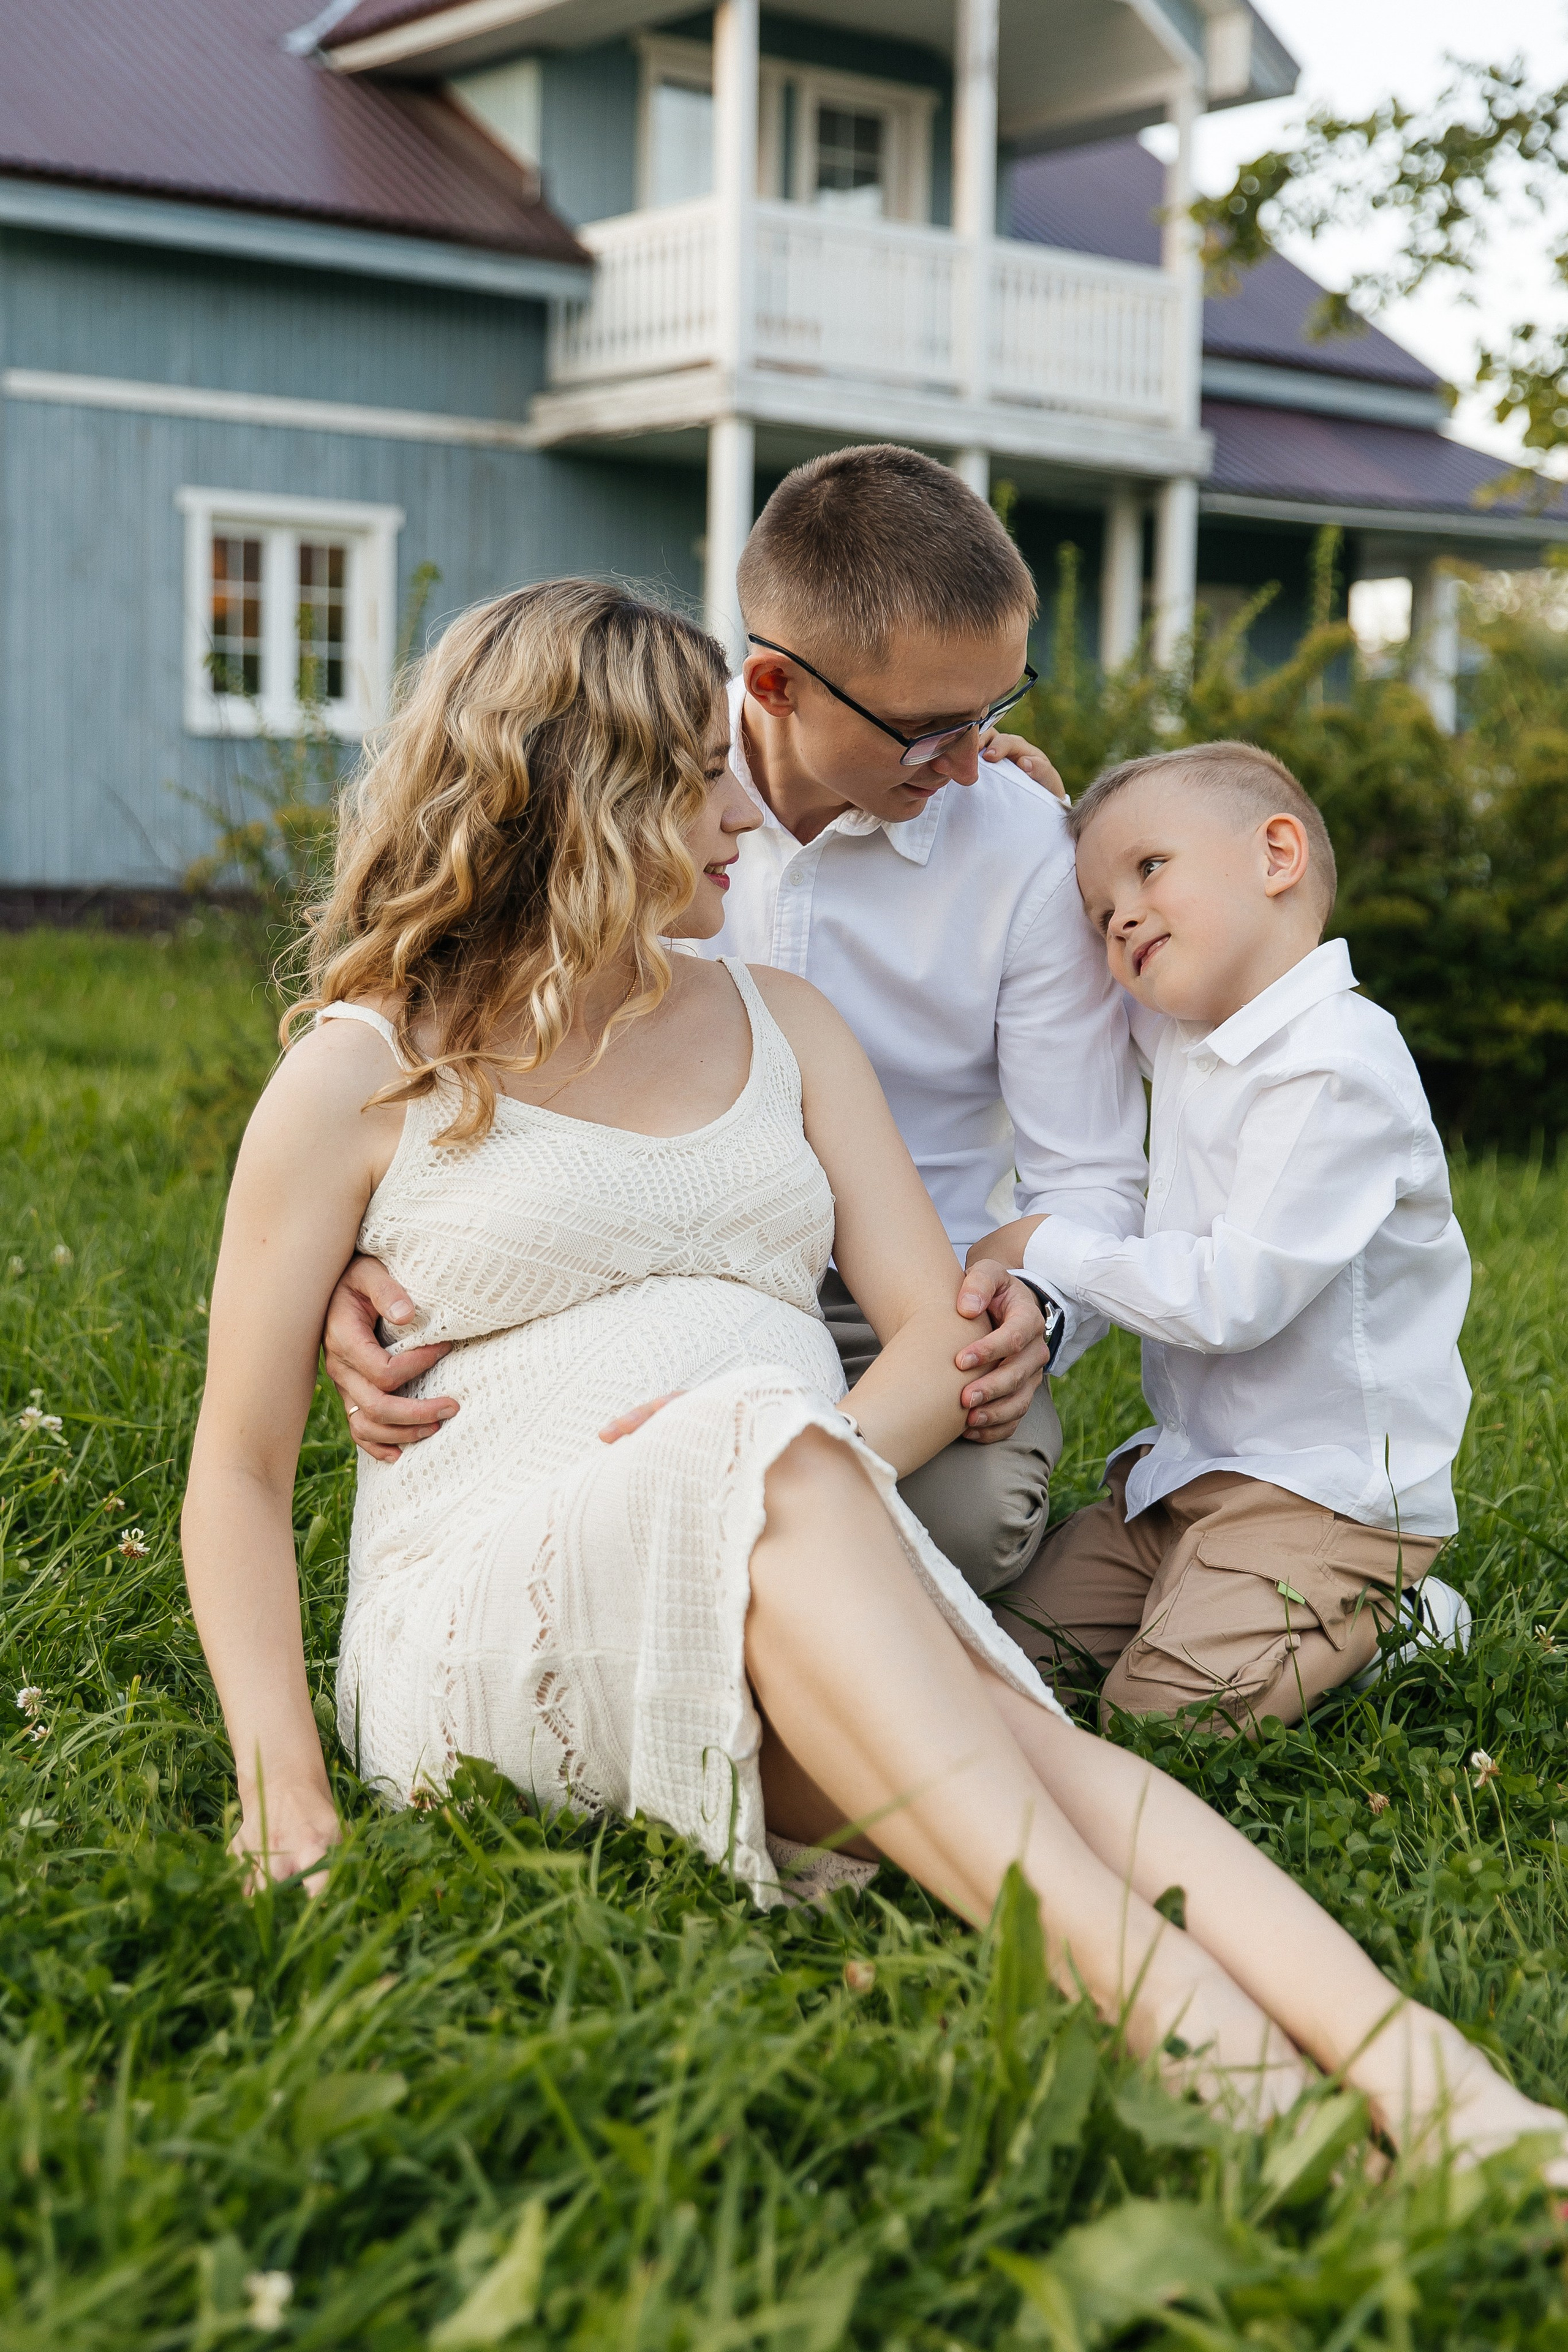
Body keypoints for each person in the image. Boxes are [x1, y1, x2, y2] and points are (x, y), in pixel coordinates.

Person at [182, 582, 1566, 2171]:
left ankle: (1462, 2104)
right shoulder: (363, 1070)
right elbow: (239, 1468)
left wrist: (787, 1458)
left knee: (1028, 1750)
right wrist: (281, 1792)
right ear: (582, 799)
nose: (742, 815)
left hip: (782, 1525)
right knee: (830, 1530)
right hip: (503, 1593)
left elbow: (934, 1336)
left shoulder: (786, 1023)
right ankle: (1259, 2097)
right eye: (697, 781)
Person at [321, 447, 1148, 1596]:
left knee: (957, 1530)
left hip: (910, 1301)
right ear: (774, 686)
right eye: (928, 727)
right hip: (627, 1257)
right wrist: (358, 1254)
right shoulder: (619, 779)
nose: (970, 765)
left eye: (993, 712)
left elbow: (1095, 1173)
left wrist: (1039, 1314)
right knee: (575, 1506)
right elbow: (430, 1021)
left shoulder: (1024, 852)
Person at [972, 742, 1472, 1729]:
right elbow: (1089, 999)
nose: (1121, 918)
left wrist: (1043, 1245)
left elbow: (1232, 1299)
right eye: (1101, 912)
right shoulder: (1199, 1032)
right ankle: (1202, 1592)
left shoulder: (1336, 1067)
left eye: (1151, 868)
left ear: (1277, 855)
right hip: (1183, 1481)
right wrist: (1039, 812)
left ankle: (1398, 1612)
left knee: (1159, 1721)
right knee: (997, 1663)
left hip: (1322, 1499)